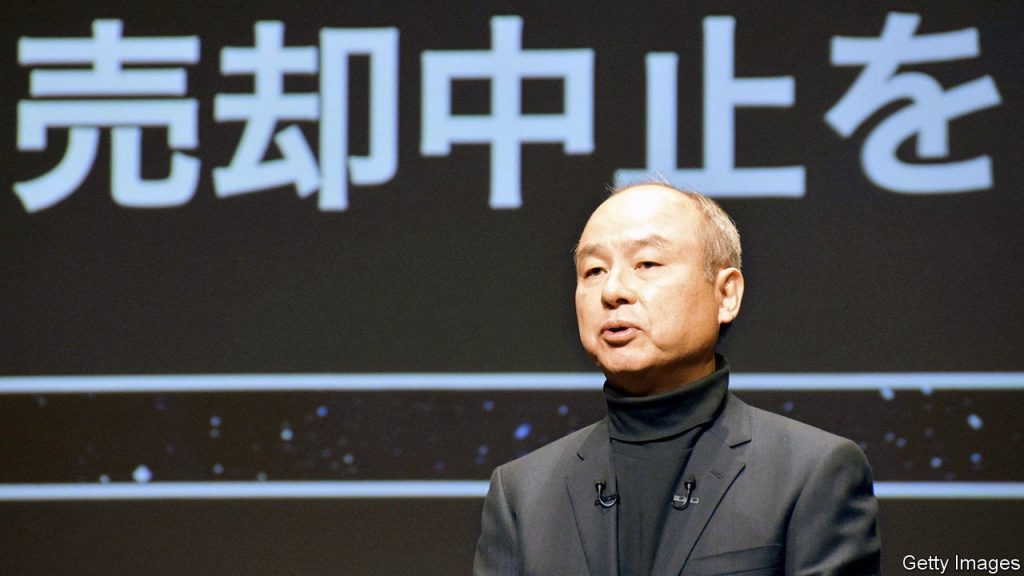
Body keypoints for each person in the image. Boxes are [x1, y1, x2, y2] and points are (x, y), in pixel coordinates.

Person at [473, 183, 880, 576]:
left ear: (726, 295)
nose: (612, 290)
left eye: (647, 263)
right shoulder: (521, 492)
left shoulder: (812, 472)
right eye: (593, 270)